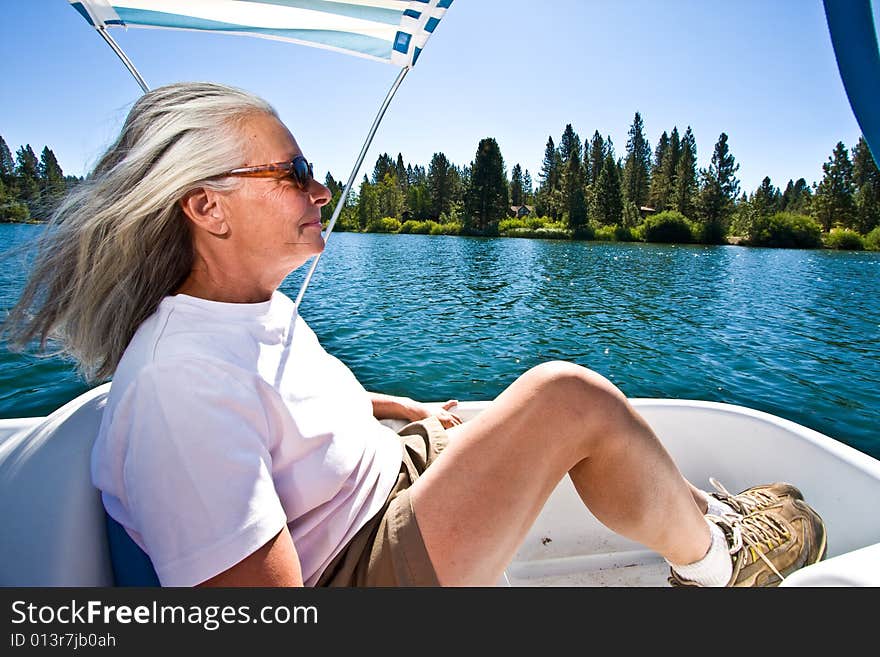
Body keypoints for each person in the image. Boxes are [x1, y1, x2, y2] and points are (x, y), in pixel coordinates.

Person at [4, 82, 826, 588]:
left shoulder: (246, 307)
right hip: (358, 564)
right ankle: (722, 564)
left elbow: (298, 399)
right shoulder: (177, 384)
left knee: (519, 408)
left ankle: (700, 525)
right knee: (565, 397)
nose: (320, 188)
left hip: (383, 476)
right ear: (206, 207)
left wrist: (411, 408)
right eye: (289, 173)